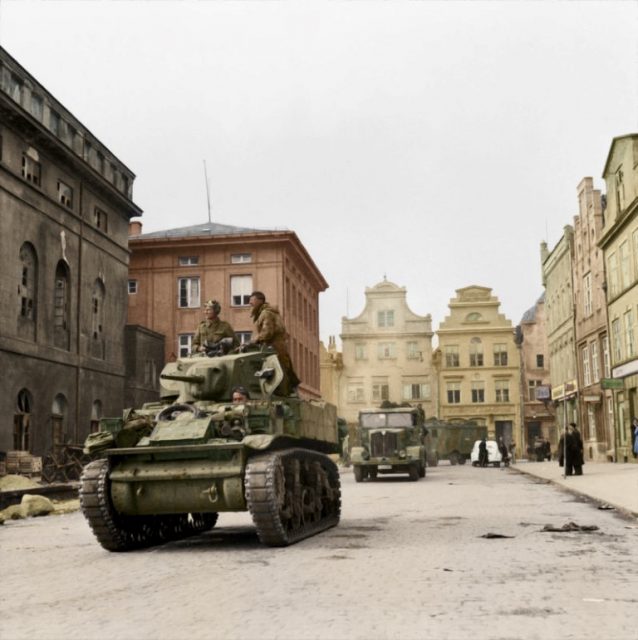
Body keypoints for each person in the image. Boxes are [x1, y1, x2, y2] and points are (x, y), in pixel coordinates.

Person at [248, 291, 300, 395]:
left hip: (274, 347)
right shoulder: (268, 312)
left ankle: (284, 392)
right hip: (276, 346)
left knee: (279, 370)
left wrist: (255, 340)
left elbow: (267, 332)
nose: (250, 303)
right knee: (283, 369)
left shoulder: (266, 313)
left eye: (252, 300)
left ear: (260, 301)